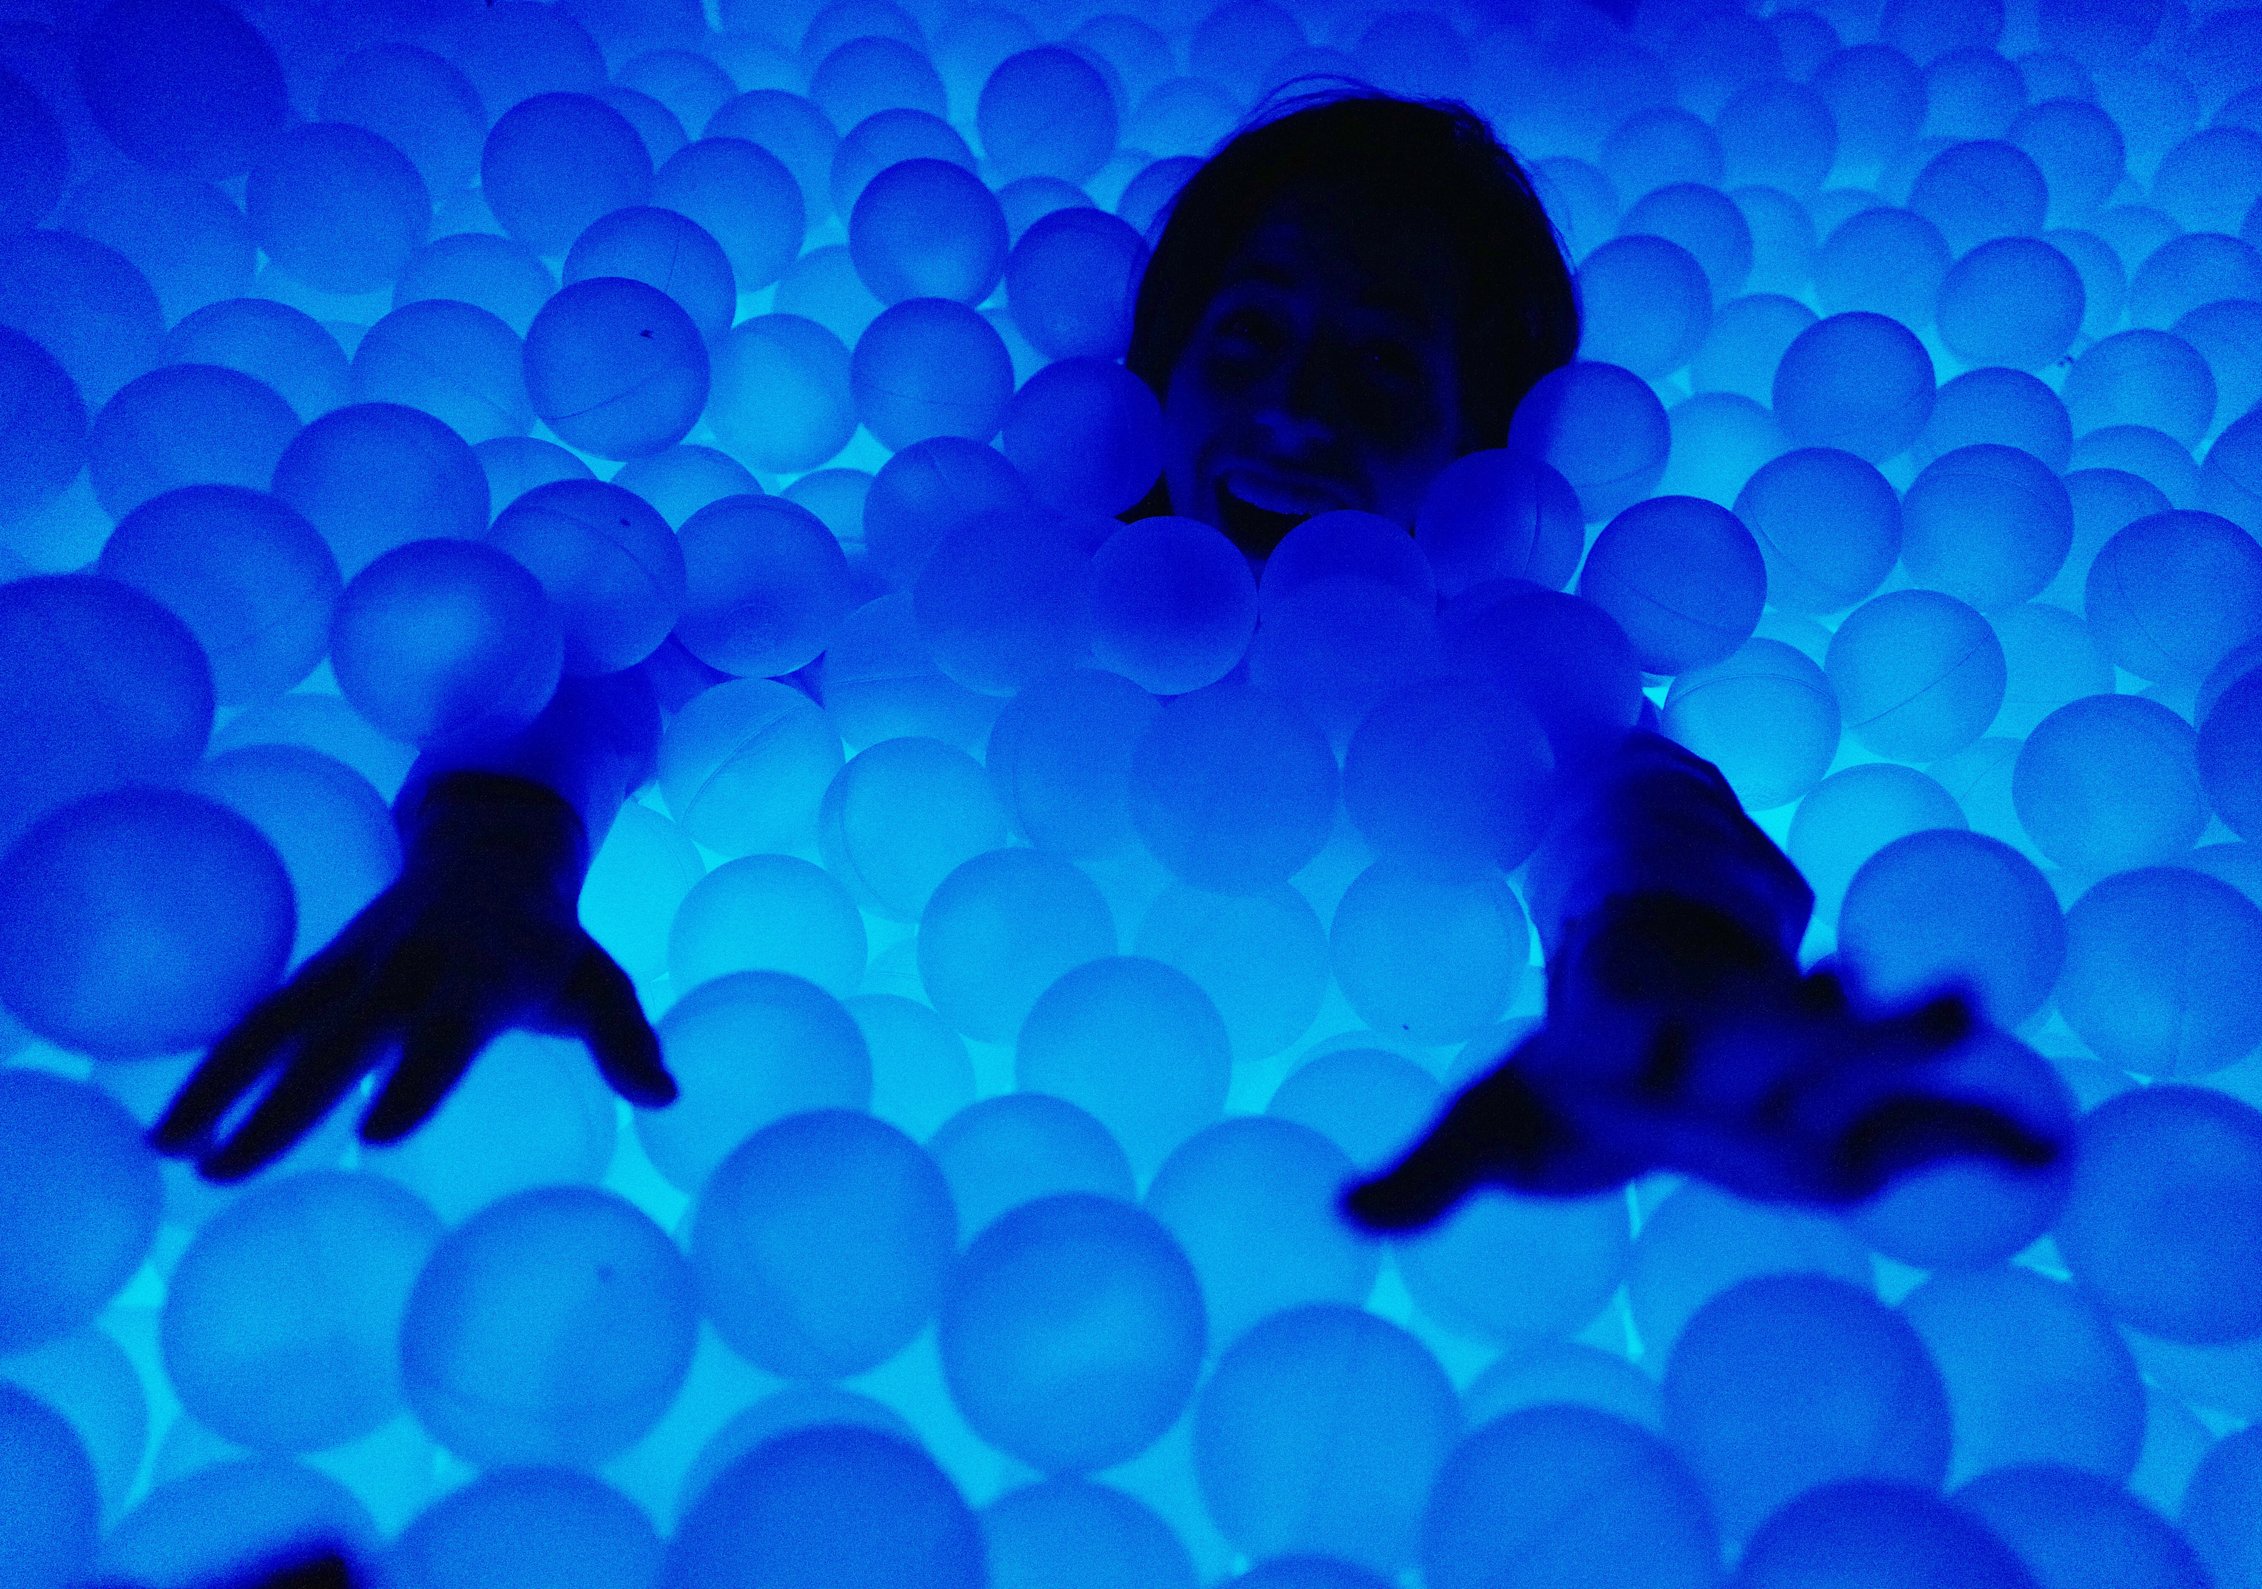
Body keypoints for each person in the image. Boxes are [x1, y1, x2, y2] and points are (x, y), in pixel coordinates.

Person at [153, 89, 2064, 1230]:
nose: (1296, 405)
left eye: (1383, 364)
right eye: (1249, 333)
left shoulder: (1498, 679)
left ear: (1486, 455)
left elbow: (1633, 812)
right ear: (1155, 369)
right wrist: (495, 854)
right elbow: (635, 663)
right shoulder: (987, 582)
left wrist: (1666, 980)